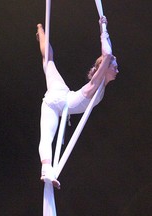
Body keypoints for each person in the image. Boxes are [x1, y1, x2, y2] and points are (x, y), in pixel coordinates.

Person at [36, 16, 119, 189]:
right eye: (114, 67)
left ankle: (41, 32)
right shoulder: (96, 83)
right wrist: (103, 28)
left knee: (48, 61)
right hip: (57, 102)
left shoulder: (100, 84)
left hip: (62, 93)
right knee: (47, 137)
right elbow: (108, 54)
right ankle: (46, 169)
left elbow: (108, 55)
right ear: (104, 68)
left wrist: (104, 29)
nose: (117, 70)